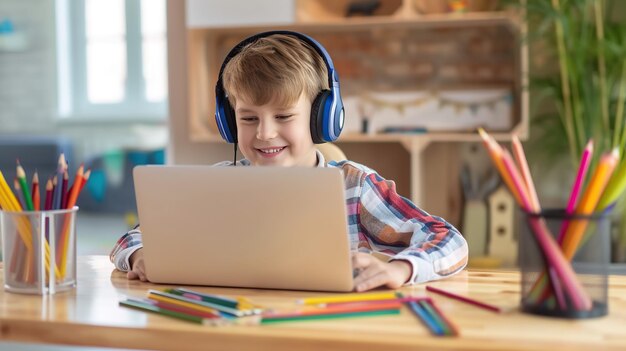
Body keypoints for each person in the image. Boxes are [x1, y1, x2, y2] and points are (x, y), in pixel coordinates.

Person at [110, 31, 468, 292]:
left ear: (321, 118)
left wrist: (402, 269)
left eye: (283, 117)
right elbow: (132, 238)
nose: (264, 134)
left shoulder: (355, 187)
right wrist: (140, 254)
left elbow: (448, 240)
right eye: (248, 119)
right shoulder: (218, 186)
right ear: (229, 121)